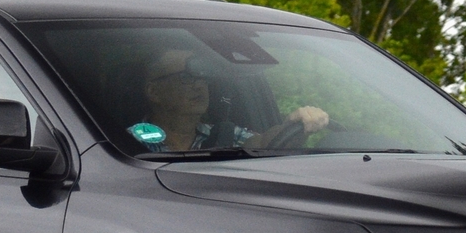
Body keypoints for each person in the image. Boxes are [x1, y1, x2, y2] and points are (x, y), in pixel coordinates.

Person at [129, 48, 328, 154]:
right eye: (187, 77)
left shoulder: (223, 134)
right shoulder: (127, 143)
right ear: (154, 92)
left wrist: (294, 123)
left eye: (202, 76)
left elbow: (264, 143)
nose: (199, 85)